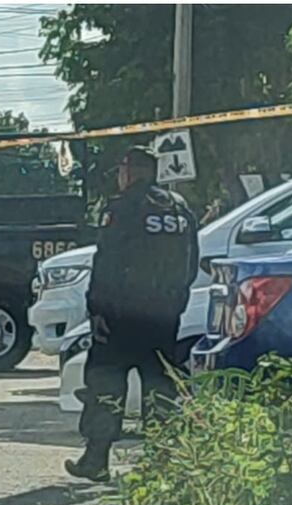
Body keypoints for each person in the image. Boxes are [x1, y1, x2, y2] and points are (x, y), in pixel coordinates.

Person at [66, 146, 199, 482]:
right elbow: (191, 263)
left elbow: (107, 263)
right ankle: (163, 465)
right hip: (164, 316)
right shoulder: (180, 209)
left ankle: (96, 460)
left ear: (132, 170)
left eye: (122, 169)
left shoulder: (122, 208)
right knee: (161, 386)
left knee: (105, 385)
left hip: (121, 317)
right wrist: (177, 302)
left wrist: (97, 308)